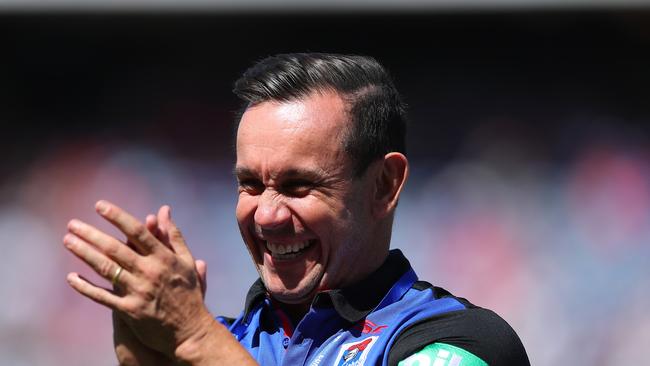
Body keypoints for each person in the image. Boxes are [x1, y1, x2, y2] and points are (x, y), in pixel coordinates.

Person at [64, 53, 530, 365]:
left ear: (384, 185)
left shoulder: (459, 343)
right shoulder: (219, 342)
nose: (266, 215)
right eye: (249, 184)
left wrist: (194, 340)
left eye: (298, 185)